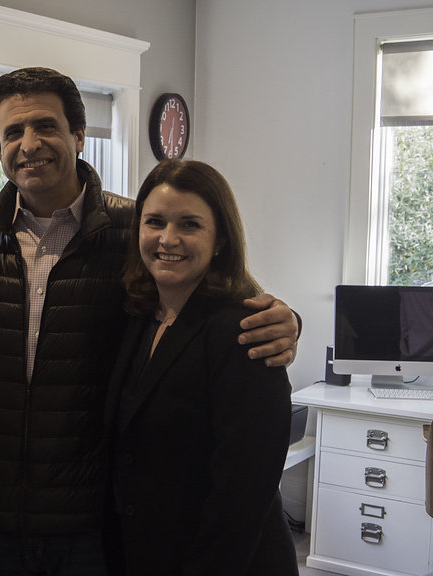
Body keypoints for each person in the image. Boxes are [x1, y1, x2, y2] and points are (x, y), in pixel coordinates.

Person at [0, 67, 301, 575]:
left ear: (78, 135)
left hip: (92, 526)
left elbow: (219, 291)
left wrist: (288, 319)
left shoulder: (133, 231)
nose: (29, 144)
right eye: (11, 133)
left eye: (46, 126)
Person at [103, 159, 298, 575]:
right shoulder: (140, 317)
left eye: (189, 225)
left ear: (221, 240)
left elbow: (242, 495)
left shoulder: (244, 331)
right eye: (154, 221)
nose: (167, 239)